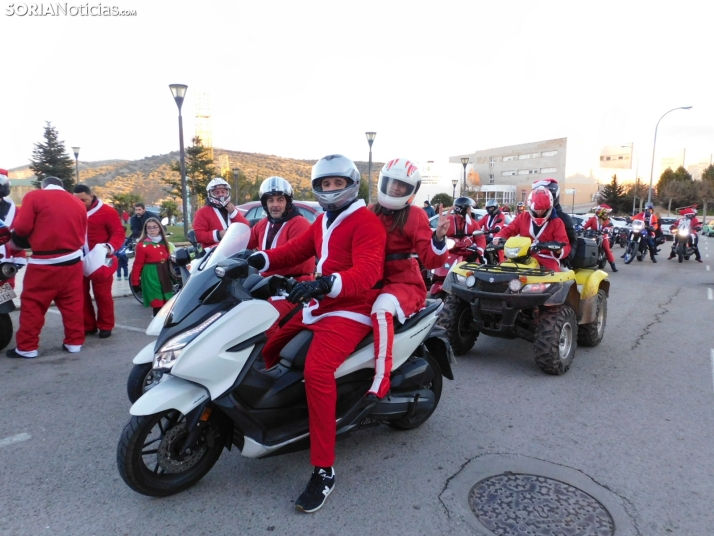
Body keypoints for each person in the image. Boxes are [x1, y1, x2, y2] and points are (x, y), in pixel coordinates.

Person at [247, 154, 386, 513]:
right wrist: (258, 259)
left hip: (351, 308)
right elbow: (297, 250)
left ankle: (323, 469)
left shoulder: (365, 222)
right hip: (319, 302)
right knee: (270, 345)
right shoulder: (323, 220)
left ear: (351, 184)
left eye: (337, 183)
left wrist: (327, 283)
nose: (331, 190)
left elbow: (368, 272)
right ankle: (284, 413)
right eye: (325, 184)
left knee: (317, 370)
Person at [368, 158, 449, 398]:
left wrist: (439, 238)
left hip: (404, 282)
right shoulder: (370, 211)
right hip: (371, 278)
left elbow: (431, 260)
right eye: (392, 182)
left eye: (401, 185)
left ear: (410, 190)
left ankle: (381, 379)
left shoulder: (415, 215)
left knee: (381, 310)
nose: (394, 188)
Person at [6, 177, 87, 358]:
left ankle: (27, 347)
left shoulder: (34, 197)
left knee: (33, 304)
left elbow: (22, 227)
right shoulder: (77, 202)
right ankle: (74, 342)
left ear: (43, 186)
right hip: (73, 262)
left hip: (44, 263)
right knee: (72, 304)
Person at [247, 176, 315, 336]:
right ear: (265, 203)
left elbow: (294, 258)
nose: (275, 205)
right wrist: (217, 253)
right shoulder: (264, 224)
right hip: (267, 285)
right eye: (270, 200)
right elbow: (243, 242)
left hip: (293, 287)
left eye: (280, 200)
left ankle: (272, 358)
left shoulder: (300, 223)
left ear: (288, 202)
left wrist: (261, 259)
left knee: (264, 318)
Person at [73, 185, 126, 338]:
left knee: (103, 294)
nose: (81, 203)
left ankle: (106, 325)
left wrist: (110, 247)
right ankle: (88, 325)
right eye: (77, 200)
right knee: (80, 294)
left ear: (92, 196)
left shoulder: (107, 211)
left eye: (84, 200)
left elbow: (118, 232)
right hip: (78, 260)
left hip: (101, 261)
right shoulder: (72, 211)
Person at [492, 187, 571, 272]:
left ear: (549, 208)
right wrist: (498, 238)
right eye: (536, 210)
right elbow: (510, 229)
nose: (539, 212)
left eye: (543, 210)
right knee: (504, 269)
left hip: (547, 259)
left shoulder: (557, 222)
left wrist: (559, 250)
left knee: (552, 277)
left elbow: (565, 244)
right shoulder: (523, 217)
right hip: (522, 257)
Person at [130, 218, 175, 316]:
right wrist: (135, 282)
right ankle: (157, 323)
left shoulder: (164, 243)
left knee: (167, 301)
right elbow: (137, 265)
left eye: (154, 227)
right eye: (149, 228)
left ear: (160, 228)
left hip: (164, 273)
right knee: (157, 302)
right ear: (145, 230)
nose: (152, 230)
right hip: (151, 274)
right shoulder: (142, 245)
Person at [193, 177, 248, 249]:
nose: (221, 195)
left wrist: (234, 213)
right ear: (210, 194)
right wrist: (218, 235)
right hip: (212, 254)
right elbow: (198, 235)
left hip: (234, 252)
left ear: (227, 193)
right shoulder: (202, 212)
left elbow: (246, 227)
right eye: (217, 192)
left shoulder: (232, 209)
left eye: (223, 192)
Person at [531, 178, 577, 259]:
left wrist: (567, 257)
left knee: (563, 270)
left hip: (554, 258)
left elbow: (572, 241)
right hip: (530, 256)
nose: (541, 199)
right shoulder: (528, 215)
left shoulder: (563, 218)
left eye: (546, 195)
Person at [0, 169, 26, 285]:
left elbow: (19, 235)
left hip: (6, 266)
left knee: (5, 300)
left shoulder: (14, 210)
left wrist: (19, 259)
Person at [583, 204, 618, 272]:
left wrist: (607, 229)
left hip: (603, 235)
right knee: (586, 245)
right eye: (599, 210)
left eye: (600, 210)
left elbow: (608, 226)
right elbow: (586, 225)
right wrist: (581, 228)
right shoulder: (592, 218)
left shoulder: (605, 219)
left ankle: (613, 265)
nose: (599, 211)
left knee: (607, 249)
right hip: (593, 234)